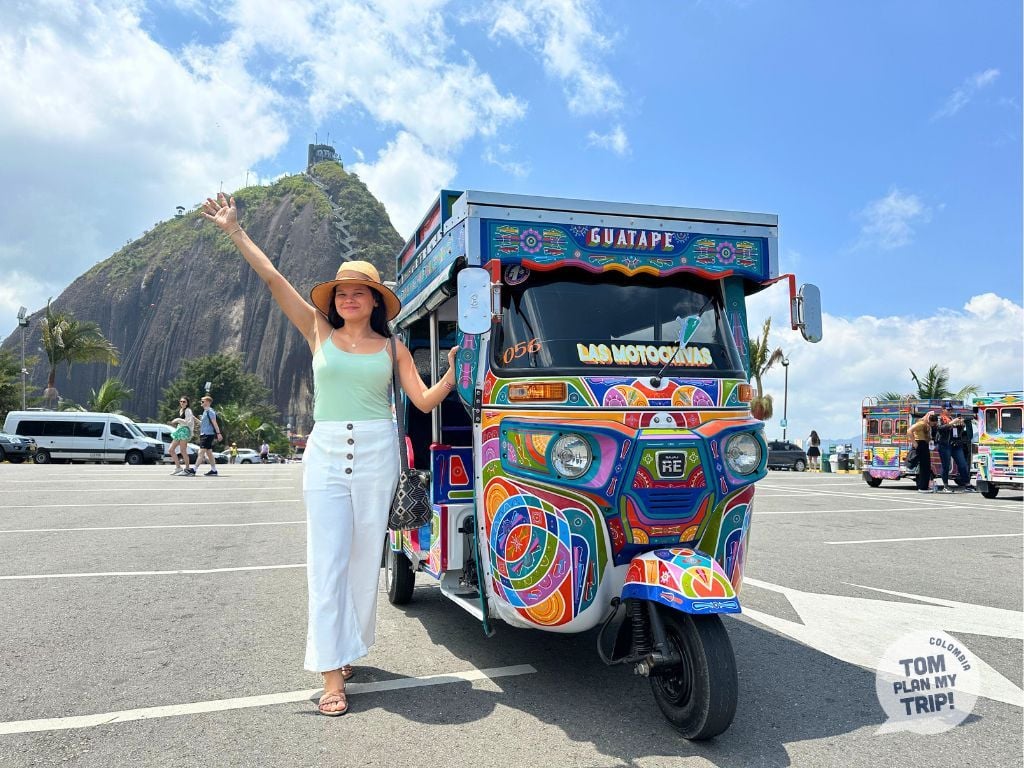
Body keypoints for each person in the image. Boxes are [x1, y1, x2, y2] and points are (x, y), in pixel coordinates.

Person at [202, 192, 457, 717]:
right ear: (333, 299)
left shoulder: (394, 349)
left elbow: (424, 400)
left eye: (359, 291)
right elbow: (274, 279)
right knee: (328, 560)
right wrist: (235, 230)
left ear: (375, 301)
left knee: (365, 562)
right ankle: (329, 674)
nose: (349, 298)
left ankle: (348, 652)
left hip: (377, 452)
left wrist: (453, 370)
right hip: (324, 452)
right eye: (342, 291)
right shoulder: (316, 330)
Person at [935, 402, 976, 492]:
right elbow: (939, 428)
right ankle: (945, 486)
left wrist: (961, 425)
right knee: (946, 465)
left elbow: (957, 433)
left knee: (963, 464)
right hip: (944, 444)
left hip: (955, 444)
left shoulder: (951, 418)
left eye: (951, 409)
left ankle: (967, 484)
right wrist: (951, 423)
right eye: (948, 409)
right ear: (943, 409)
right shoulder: (940, 418)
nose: (950, 411)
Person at [908, 410, 939, 492]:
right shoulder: (921, 424)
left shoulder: (927, 425)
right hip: (920, 443)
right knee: (924, 466)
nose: (933, 425)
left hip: (924, 444)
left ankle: (924, 486)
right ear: (929, 420)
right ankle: (923, 487)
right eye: (933, 423)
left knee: (926, 466)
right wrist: (914, 442)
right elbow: (909, 430)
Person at [194, 394, 222, 476]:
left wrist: (219, 433)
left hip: (208, 435)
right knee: (209, 453)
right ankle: (214, 470)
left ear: (208, 402)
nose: (201, 402)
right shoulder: (205, 412)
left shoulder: (210, 412)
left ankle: (194, 469)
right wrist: (194, 418)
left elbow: (215, 423)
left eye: (203, 401)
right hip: (204, 434)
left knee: (201, 452)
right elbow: (202, 424)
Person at [169, 396, 196, 476]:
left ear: (187, 403)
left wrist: (178, 420)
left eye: (184, 401)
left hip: (184, 431)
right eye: (181, 401)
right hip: (179, 431)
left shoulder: (188, 410)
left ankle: (187, 469)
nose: (182, 403)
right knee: (171, 450)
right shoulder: (181, 410)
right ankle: (178, 467)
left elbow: (188, 423)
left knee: (183, 451)